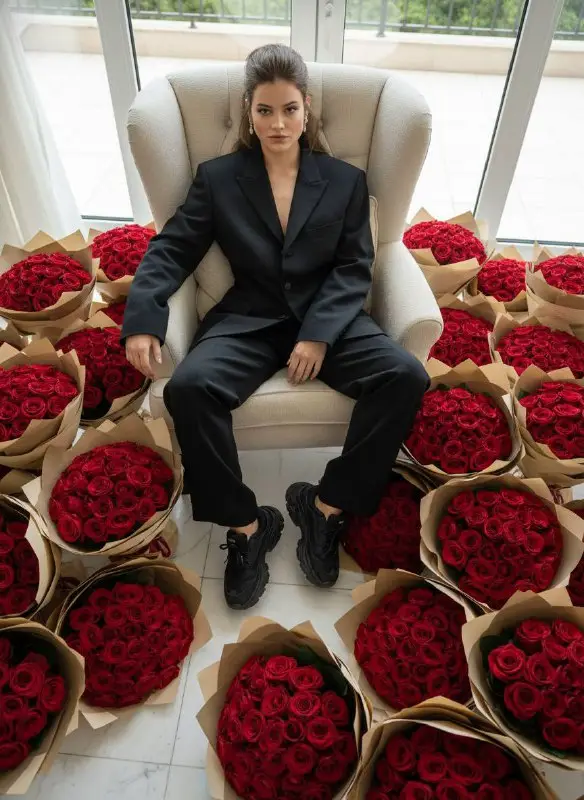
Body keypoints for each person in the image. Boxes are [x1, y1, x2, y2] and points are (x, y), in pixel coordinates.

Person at [122, 43, 429, 610]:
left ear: (307, 109)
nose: (278, 124)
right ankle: (246, 527)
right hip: (250, 317)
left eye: (289, 109)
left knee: (405, 376)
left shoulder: (345, 181)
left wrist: (318, 334)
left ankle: (324, 507)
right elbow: (172, 249)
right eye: (265, 110)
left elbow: (354, 266)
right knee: (188, 389)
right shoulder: (218, 179)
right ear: (249, 111)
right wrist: (144, 319)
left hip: (330, 319)